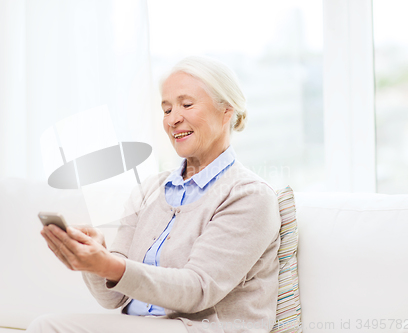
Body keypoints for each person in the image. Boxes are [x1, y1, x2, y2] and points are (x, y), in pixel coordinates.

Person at [27, 56, 281, 333]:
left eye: (186, 105)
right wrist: (94, 260)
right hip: (140, 326)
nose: (173, 119)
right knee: (45, 325)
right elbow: (112, 298)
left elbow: (197, 289)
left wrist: (110, 265)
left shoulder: (250, 196)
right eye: (166, 109)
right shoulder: (150, 189)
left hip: (201, 328)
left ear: (226, 112)